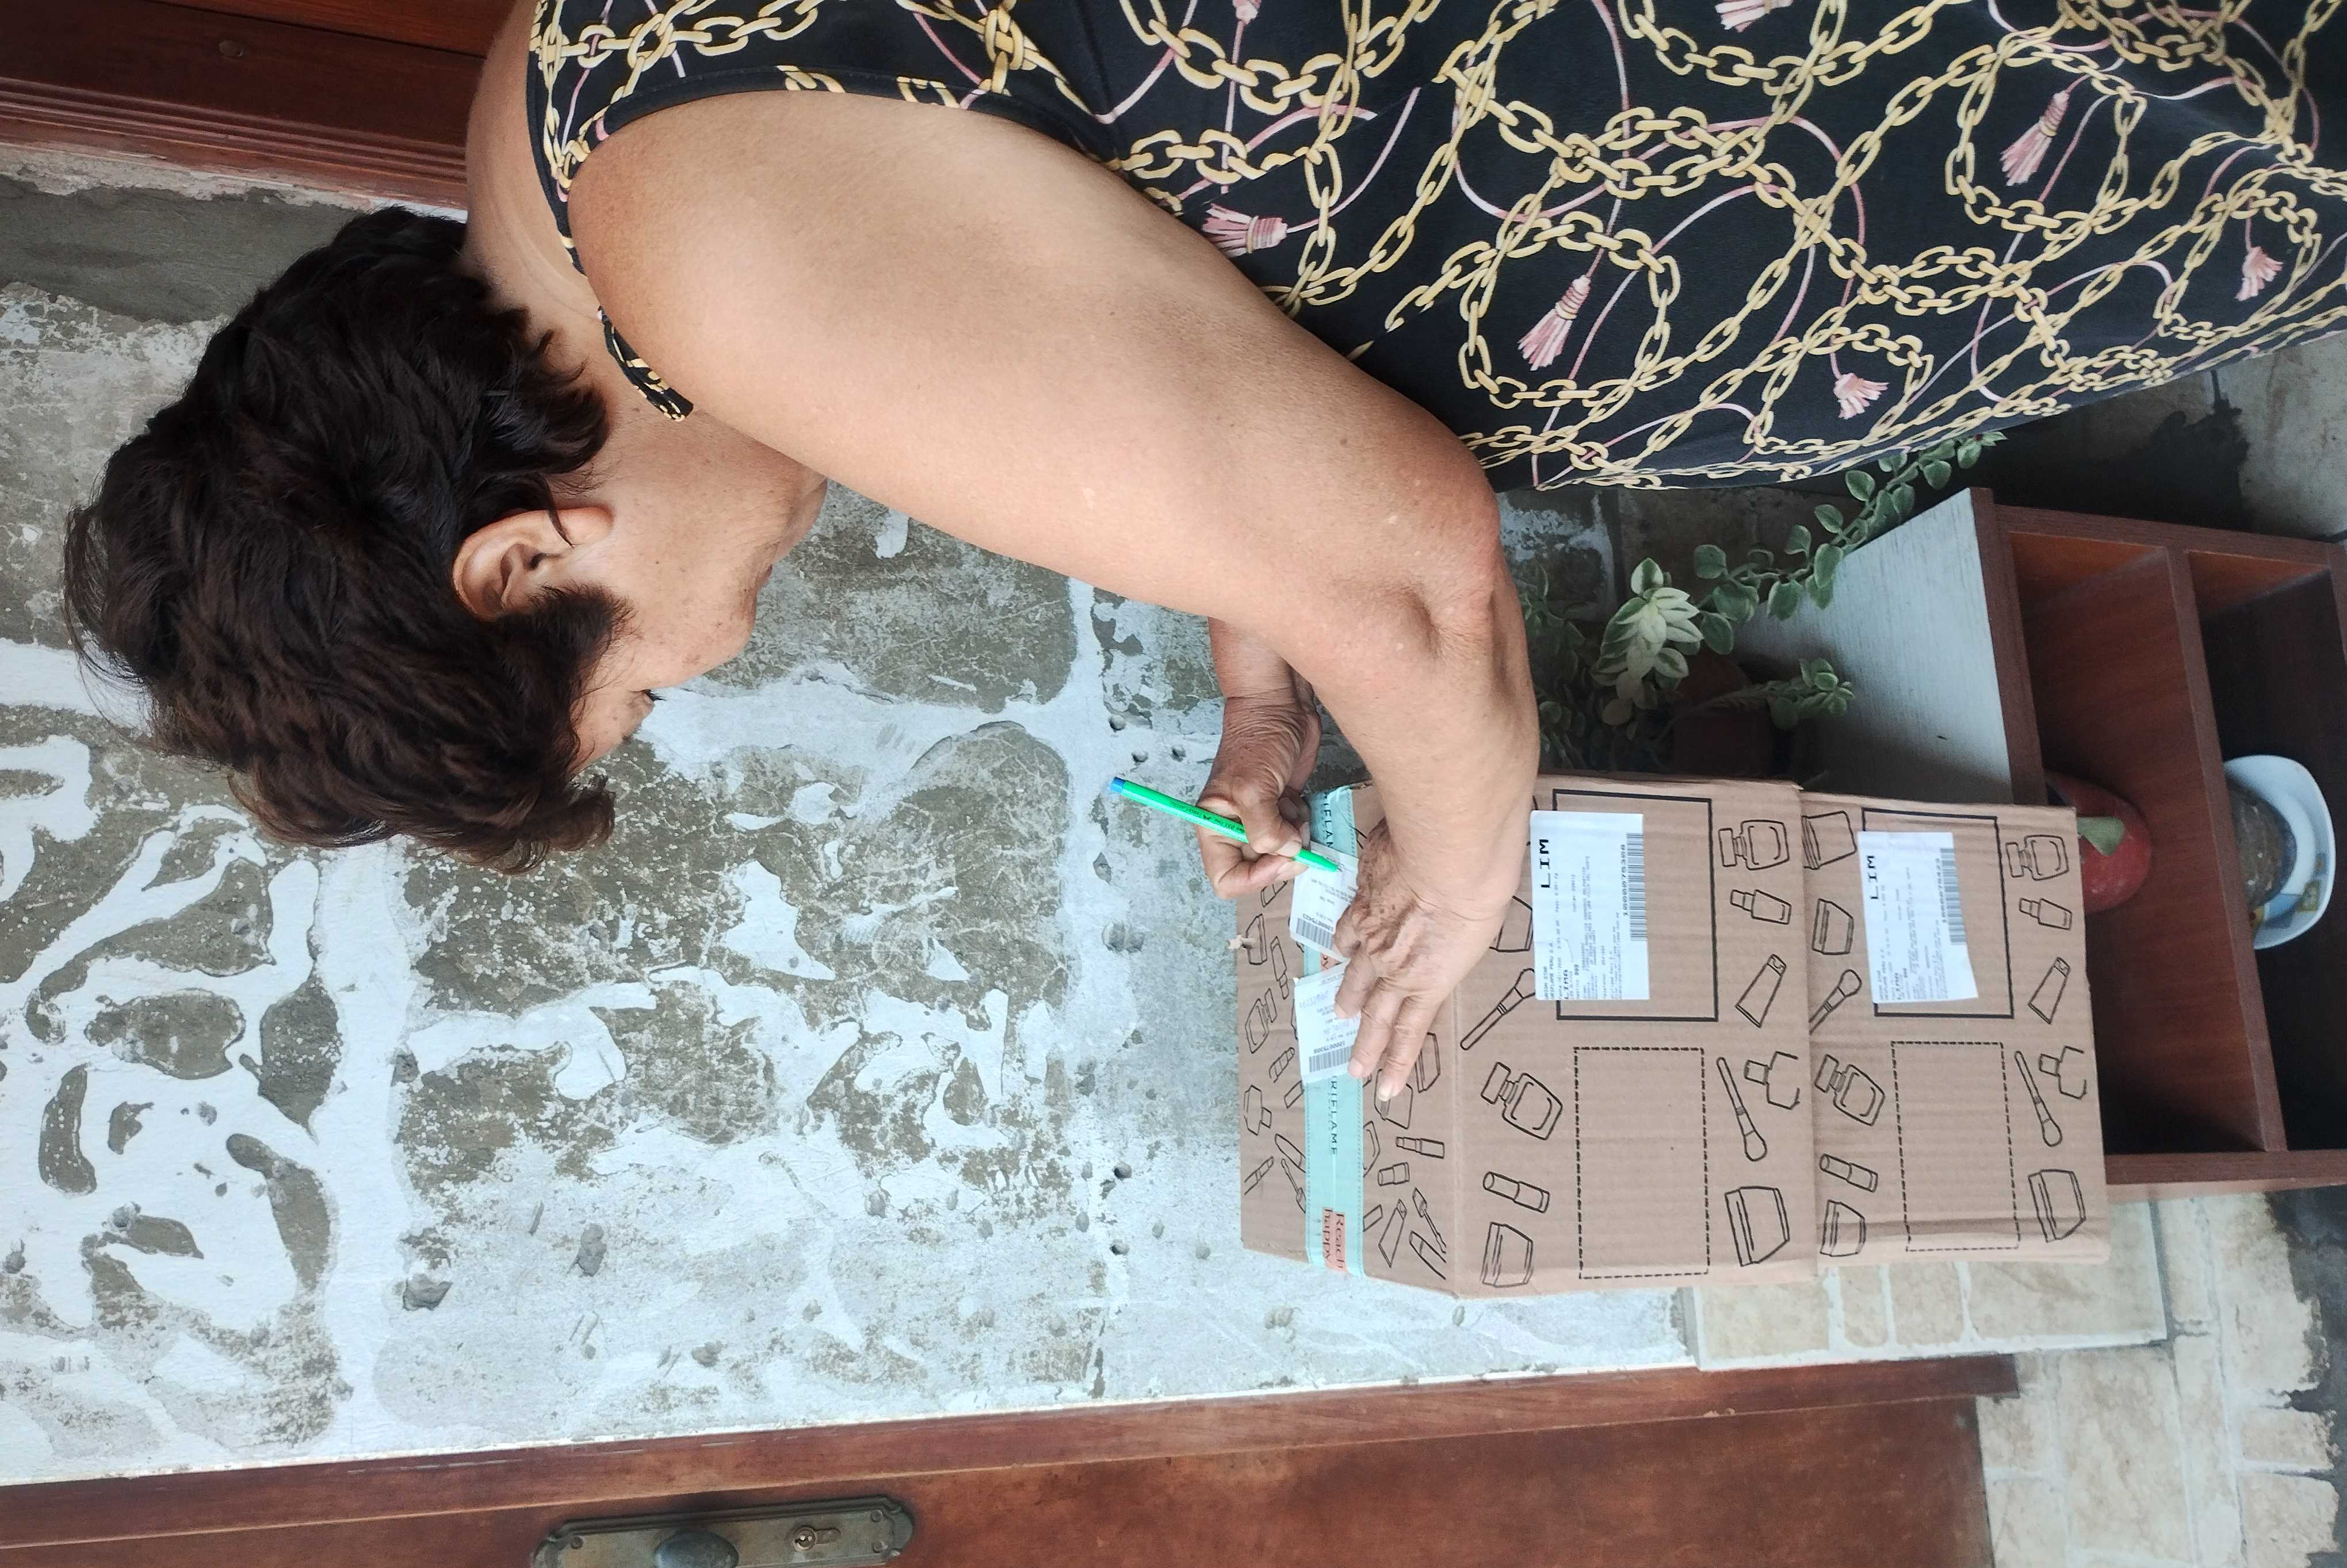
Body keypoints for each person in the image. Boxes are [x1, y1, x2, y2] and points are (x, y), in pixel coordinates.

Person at [62, 0, 2347, 1099]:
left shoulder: (707, 273)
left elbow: (1415, 577)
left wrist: (1463, 870)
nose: (708, 661)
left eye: (639, 684)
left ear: (519, 563)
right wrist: (1262, 689)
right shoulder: (556, 153)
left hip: (1814, 102)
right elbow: (1167, 288)